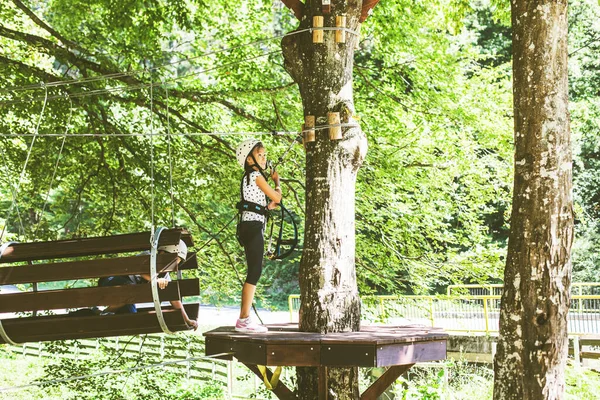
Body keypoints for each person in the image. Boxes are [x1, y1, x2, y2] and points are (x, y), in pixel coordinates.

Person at [234, 139, 282, 333]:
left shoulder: (247, 178)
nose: (264, 158)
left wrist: (266, 208)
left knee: (254, 271)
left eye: (264, 155)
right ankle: (243, 319)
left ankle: (244, 318)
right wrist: (277, 182)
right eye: (260, 154)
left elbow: (258, 202)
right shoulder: (256, 176)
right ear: (249, 159)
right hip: (253, 227)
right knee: (254, 272)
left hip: (248, 226)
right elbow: (277, 197)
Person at [98, 239, 198, 330]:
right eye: (172, 261)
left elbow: (174, 299)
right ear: (162, 252)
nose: (172, 265)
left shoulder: (165, 275)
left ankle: (102, 313)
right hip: (111, 281)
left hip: (126, 296)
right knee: (131, 289)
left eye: (176, 263)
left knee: (130, 317)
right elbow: (138, 270)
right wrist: (156, 279)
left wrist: (187, 320)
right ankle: (104, 311)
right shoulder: (147, 256)